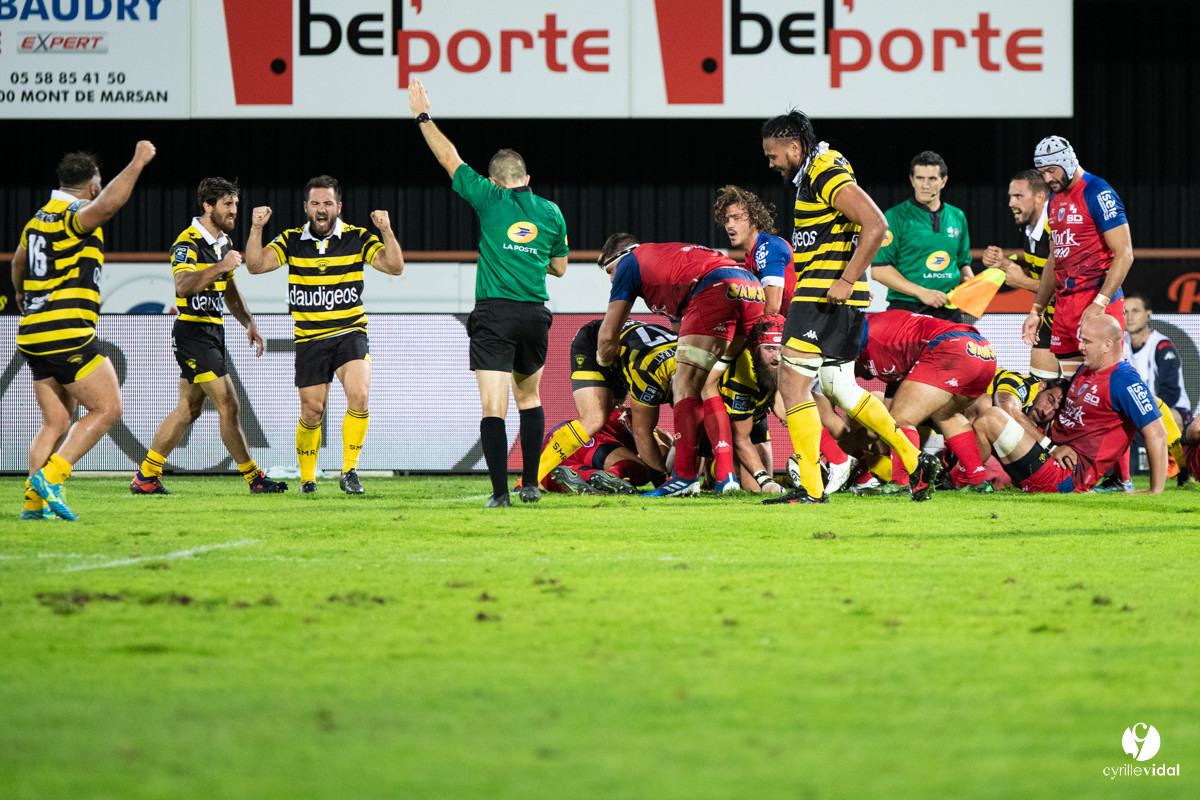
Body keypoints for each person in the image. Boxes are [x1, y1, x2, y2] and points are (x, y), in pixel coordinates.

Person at [759, 110, 938, 504]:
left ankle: (810, 486)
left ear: (794, 146)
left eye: (773, 155)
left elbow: (875, 224)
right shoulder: (820, 170)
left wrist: (845, 279)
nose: (770, 163)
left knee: (790, 383)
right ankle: (914, 461)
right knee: (839, 385)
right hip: (840, 297)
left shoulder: (824, 169)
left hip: (825, 295)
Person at [408, 78, 568, 508]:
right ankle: (531, 484)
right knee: (529, 398)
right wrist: (529, 256)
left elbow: (448, 157)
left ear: (496, 180)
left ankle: (501, 494)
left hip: (495, 314)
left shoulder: (489, 196)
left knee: (494, 408)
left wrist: (423, 116)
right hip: (536, 314)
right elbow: (559, 267)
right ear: (527, 178)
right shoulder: (551, 212)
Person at [12, 141, 156, 521]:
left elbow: (18, 260)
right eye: (99, 184)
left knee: (56, 422)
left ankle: (32, 506)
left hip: (33, 333)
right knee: (107, 408)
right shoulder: (73, 214)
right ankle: (51, 477)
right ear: (93, 185)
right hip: (66, 330)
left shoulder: (38, 218)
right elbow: (107, 206)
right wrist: (139, 161)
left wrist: (19, 292)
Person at [245, 176, 404, 496]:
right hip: (310, 338)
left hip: (350, 332)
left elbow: (395, 267)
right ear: (306, 207)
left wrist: (386, 230)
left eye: (327, 203)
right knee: (312, 412)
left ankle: (349, 471)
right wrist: (256, 228)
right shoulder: (291, 239)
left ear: (338, 207)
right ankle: (308, 479)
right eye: (315, 203)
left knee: (359, 395)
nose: (321, 209)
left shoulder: (357, 237)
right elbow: (255, 265)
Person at [130, 178, 287, 496]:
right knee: (228, 403)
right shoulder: (187, 243)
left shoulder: (224, 243)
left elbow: (229, 290)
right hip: (193, 331)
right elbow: (183, 286)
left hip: (212, 331)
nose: (234, 210)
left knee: (188, 410)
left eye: (235, 203)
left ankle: (145, 477)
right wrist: (220, 266)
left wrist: (249, 323)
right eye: (227, 204)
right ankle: (254, 478)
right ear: (207, 205)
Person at [595, 237, 765, 497]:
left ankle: (684, 476)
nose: (610, 279)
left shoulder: (630, 262)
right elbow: (681, 326)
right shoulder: (666, 261)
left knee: (683, 383)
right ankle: (726, 477)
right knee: (708, 385)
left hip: (715, 287)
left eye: (609, 271)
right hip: (750, 288)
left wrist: (605, 362)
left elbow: (608, 336)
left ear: (621, 256)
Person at [976, 315, 1167, 494]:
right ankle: (965, 476)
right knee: (982, 403)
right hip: (1048, 450)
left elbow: (1157, 433)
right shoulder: (1085, 369)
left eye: (1087, 341)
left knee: (991, 418)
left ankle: (962, 480)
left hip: (1066, 475)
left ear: (1108, 345)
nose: (1080, 346)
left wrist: (1155, 490)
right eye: (1081, 339)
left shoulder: (1124, 381)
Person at [1023, 136, 1131, 379]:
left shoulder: (1098, 191)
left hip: (1096, 300)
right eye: (1043, 173)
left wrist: (1099, 303)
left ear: (1069, 162)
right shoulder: (1054, 199)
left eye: (1052, 170)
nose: (1048, 178)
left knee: (1105, 385)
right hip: (1064, 304)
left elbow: (1125, 254)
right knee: (1075, 390)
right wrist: (1037, 310)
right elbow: (1054, 257)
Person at [856, 309, 998, 492]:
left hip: (952, 347)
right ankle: (977, 481)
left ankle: (901, 484)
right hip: (982, 350)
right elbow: (896, 391)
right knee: (945, 414)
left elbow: (894, 418)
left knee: (901, 419)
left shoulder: (868, 339)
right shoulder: (879, 333)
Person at [539, 318, 676, 486]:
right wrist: (664, 480)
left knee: (606, 415)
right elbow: (645, 437)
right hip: (598, 341)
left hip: (574, 442)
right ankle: (532, 479)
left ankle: (580, 476)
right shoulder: (659, 432)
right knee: (595, 418)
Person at [871, 151, 974, 323]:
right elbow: (879, 270)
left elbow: (963, 263)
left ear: (944, 181)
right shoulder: (894, 217)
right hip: (906, 309)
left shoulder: (957, 216)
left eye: (932, 179)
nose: (925, 185)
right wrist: (922, 292)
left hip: (949, 311)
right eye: (920, 178)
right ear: (912, 180)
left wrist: (969, 281)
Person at [980, 169, 1059, 380]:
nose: (1010, 203)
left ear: (1040, 196)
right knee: (1042, 392)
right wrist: (1003, 262)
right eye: (1010, 197)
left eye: (1018, 196)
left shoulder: (1058, 227)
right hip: (1048, 320)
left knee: (1078, 398)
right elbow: (1040, 267)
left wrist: (1022, 282)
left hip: (1074, 323)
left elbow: (1068, 287)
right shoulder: (1027, 227)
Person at [1123, 294, 1191, 431]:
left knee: (1167, 418)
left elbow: (1171, 393)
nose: (1129, 317)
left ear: (1148, 314)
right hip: (1139, 410)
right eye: (1125, 312)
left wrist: (1145, 411)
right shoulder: (1121, 344)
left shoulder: (1161, 345)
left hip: (1171, 408)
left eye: (1135, 311)